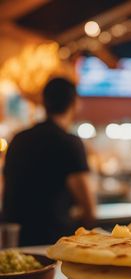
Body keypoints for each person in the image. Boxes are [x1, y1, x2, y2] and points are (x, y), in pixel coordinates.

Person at [3, 77, 95, 246]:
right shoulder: (69, 142)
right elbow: (89, 207)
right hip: (53, 242)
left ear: (44, 103)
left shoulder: (18, 139)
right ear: (75, 104)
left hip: (16, 243)